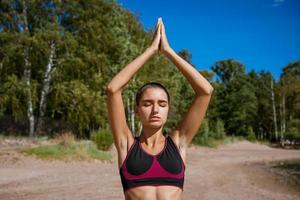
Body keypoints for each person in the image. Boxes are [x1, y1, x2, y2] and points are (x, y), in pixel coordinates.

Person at [106, 17, 214, 200]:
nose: (155, 109)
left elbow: (206, 91)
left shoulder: (179, 142)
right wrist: (151, 50)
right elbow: (112, 89)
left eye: (162, 104)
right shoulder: (127, 145)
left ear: (168, 109)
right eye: (147, 104)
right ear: (137, 109)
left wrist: (169, 51)